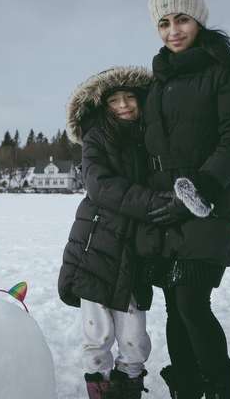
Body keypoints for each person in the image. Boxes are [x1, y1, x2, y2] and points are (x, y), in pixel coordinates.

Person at [141, 0, 230, 399]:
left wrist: (200, 189)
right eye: (164, 22)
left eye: (182, 19)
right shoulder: (155, 82)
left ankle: (223, 389)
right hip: (164, 212)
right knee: (174, 307)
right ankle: (187, 389)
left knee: (192, 303)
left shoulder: (222, 74)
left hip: (207, 208)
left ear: (199, 20)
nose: (173, 30)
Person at [58, 66, 173, 399]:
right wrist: (153, 202)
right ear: (103, 106)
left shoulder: (151, 139)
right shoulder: (96, 137)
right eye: (115, 100)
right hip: (97, 242)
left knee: (135, 337)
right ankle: (99, 388)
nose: (124, 105)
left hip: (135, 247)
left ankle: (128, 389)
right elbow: (99, 185)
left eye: (130, 98)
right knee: (98, 333)